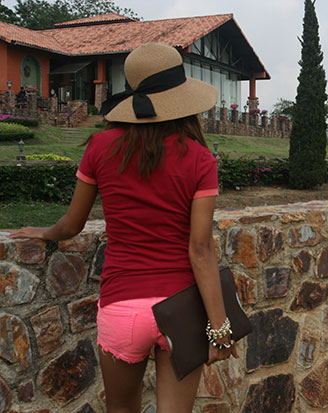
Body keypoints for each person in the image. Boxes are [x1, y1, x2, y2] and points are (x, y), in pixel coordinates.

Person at [9, 43, 237, 412]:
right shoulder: (199, 159)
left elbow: (72, 224)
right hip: (180, 307)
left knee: (121, 408)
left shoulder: (100, 146)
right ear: (182, 99)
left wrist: (45, 232)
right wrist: (220, 329)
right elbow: (200, 250)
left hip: (122, 308)